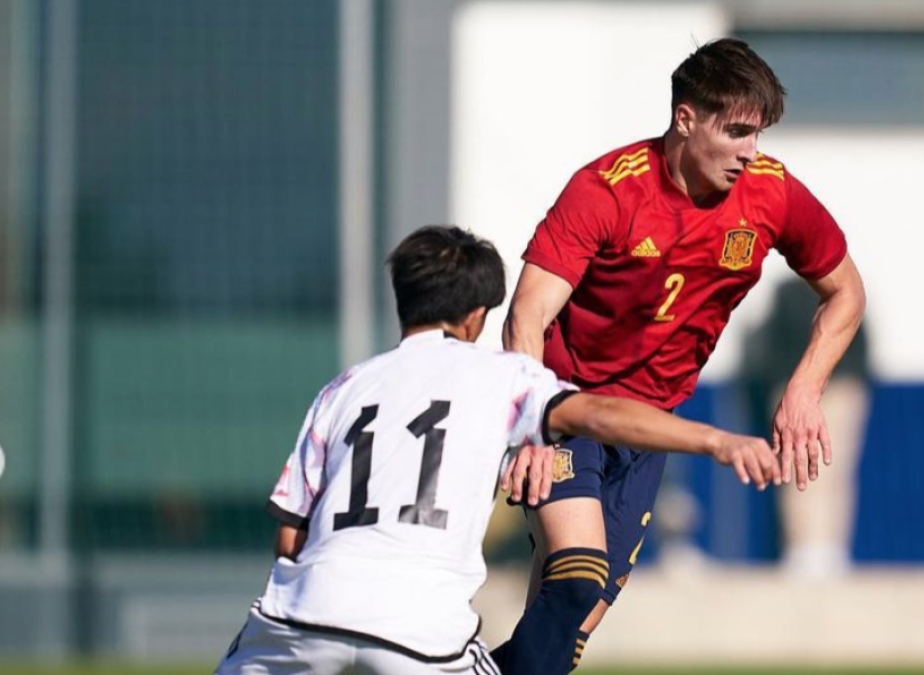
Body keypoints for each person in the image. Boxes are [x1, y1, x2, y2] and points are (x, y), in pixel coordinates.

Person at [213, 225, 779, 675]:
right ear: (476, 316)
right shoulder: (498, 375)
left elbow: (290, 537)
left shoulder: (341, 389)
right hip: (418, 632)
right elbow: (601, 412)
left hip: (300, 616)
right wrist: (715, 440)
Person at [495, 38, 867, 675]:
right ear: (686, 119)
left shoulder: (772, 196)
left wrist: (804, 389)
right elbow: (527, 313)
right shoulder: (605, 191)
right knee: (578, 577)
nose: (752, 153)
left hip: (650, 425)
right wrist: (531, 424)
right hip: (570, 409)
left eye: (760, 135)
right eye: (738, 132)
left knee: (564, 637)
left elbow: (846, 294)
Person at [745, 278, 872, 578]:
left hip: (831, 390)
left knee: (821, 471)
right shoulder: (793, 291)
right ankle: (809, 548)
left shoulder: (843, 289)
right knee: (805, 471)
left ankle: (823, 549)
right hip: (811, 390)